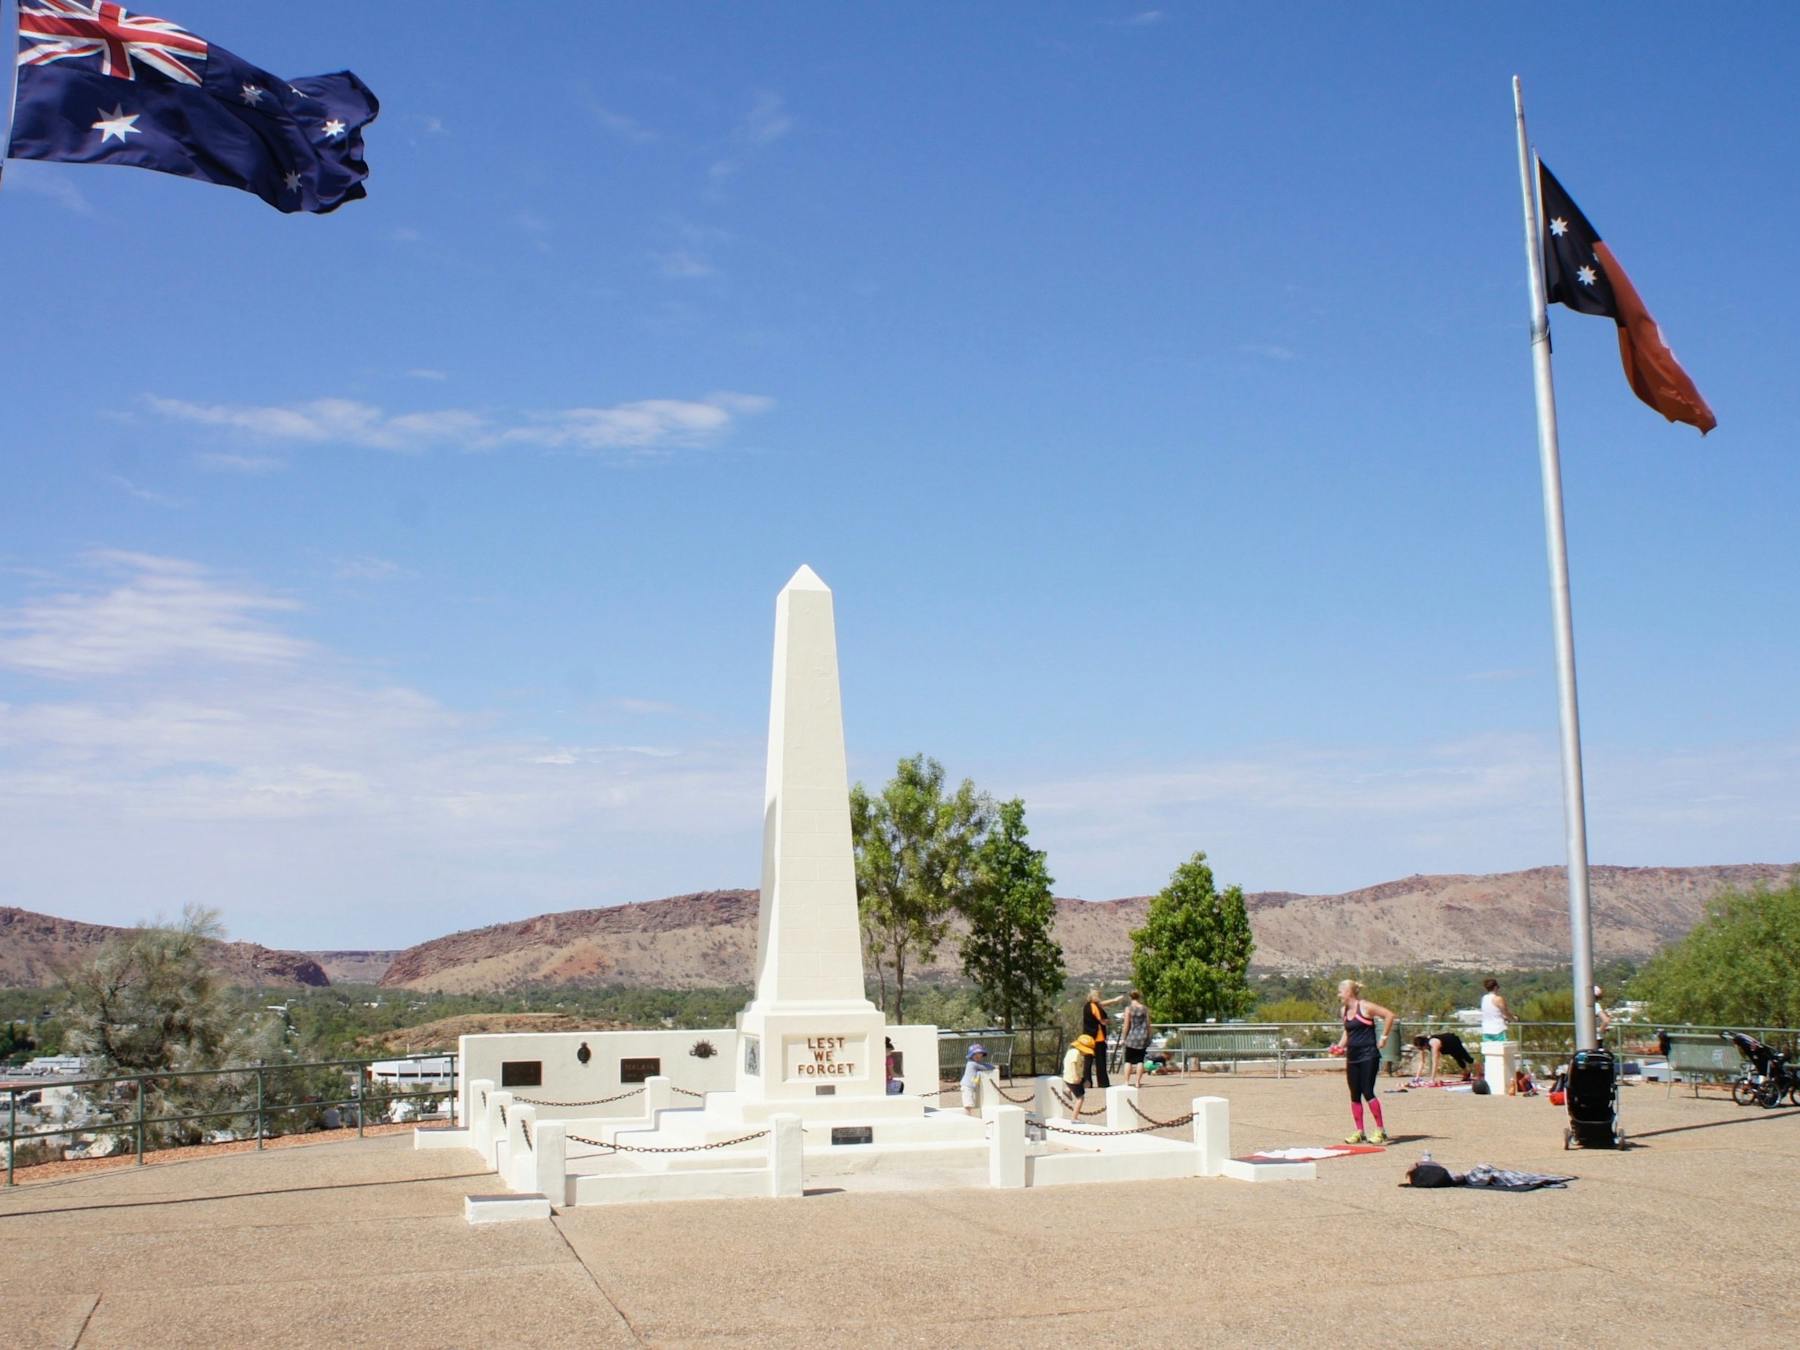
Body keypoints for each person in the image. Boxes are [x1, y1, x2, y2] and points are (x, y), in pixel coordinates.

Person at [1331, 979, 1395, 1144]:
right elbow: (1348, 1032)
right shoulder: (1343, 1010)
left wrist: (1384, 1037)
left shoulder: (1365, 1006)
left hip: (1369, 1055)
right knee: (1354, 1094)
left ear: (1349, 992)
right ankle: (1360, 1131)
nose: (1339, 995)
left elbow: (1389, 1015)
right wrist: (1339, 1047)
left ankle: (1380, 1130)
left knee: (1368, 1091)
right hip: (1353, 1056)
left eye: (1340, 991)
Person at [1081, 987, 1126, 1090]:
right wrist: (1110, 1021)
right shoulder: (1095, 1007)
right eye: (1098, 996)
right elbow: (1101, 1020)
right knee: (1100, 1061)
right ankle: (1103, 1082)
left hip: (1088, 1038)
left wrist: (1115, 1000)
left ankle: (1087, 1083)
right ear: (1094, 997)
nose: (1100, 998)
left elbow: (1105, 1003)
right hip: (1097, 1038)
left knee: (1088, 1061)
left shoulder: (1088, 1006)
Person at [1479, 977, 1514, 1092]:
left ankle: (1491, 1082)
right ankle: (1503, 1084)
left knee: (1490, 1058)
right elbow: (1505, 1012)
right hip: (1498, 1029)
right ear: (1495, 987)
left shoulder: (1484, 999)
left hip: (1486, 1029)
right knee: (1502, 1058)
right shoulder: (1498, 999)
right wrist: (1513, 1018)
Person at [1118, 990, 1153, 1087]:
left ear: (1130, 997)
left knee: (1128, 1060)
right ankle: (1137, 1082)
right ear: (1139, 997)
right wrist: (1150, 1035)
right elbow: (1148, 1024)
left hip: (1131, 1037)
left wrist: (1123, 1037)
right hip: (1142, 1037)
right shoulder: (1144, 1008)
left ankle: (1126, 1082)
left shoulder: (1128, 1009)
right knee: (1140, 1060)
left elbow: (1126, 1025)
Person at [1061, 1034, 1096, 1119]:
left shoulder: (1072, 1051)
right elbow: (1073, 1064)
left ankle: (1068, 1090)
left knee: (1087, 1084)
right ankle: (1074, 1117)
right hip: (1073, 1078)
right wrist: (1076, 1076)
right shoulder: (1075, 1053)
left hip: (1070, 1077)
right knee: (1080, 1098)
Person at [959, 1043, 997, 1115]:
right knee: (968, 1104)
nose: (978, 1057)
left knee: (969, 1103)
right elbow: (985, 1067)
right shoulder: (973, 1064)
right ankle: (967, 1117)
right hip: (967, 1087)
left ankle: (968, 1117)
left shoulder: (974, 1063)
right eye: (976, 1055)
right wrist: (993, 1066)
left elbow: (982, 1065)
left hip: (969, 1086)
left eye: (980, 1055)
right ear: (971, 1056)